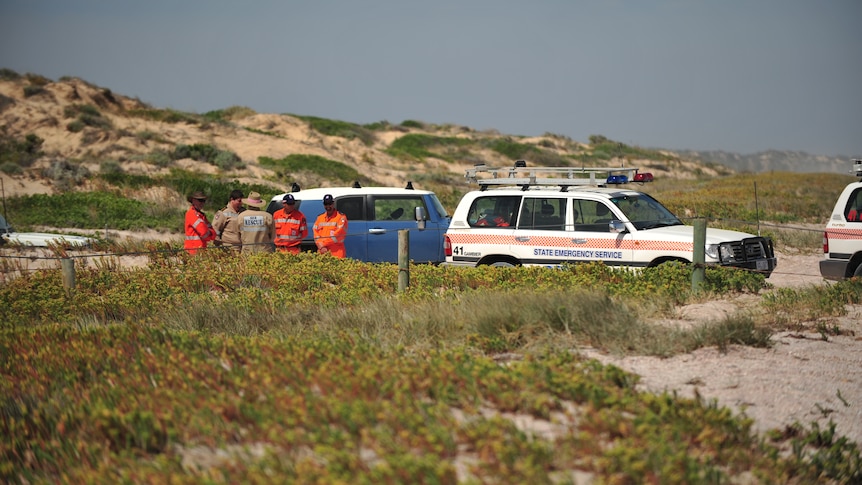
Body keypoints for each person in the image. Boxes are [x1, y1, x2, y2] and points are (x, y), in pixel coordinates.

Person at [313, 194, 348, 258]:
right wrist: (320, 245)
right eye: (326, 204)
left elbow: (338, 235)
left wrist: (323, 244)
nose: (328, 206)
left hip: (336, 254)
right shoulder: (320, 218)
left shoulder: (341, 217)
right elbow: (316, 233)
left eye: (330, 204)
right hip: (322, 253)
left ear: (333, 204)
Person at [184, 190, 217, 255]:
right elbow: (204, 232)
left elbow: (213, 233)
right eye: (200, 200)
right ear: (193, 200)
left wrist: (210, 234)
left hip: (201, 250)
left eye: (203, 201)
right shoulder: (191, 214)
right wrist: (210, 234)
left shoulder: (202, 215)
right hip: (193, 251)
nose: (202, 203)